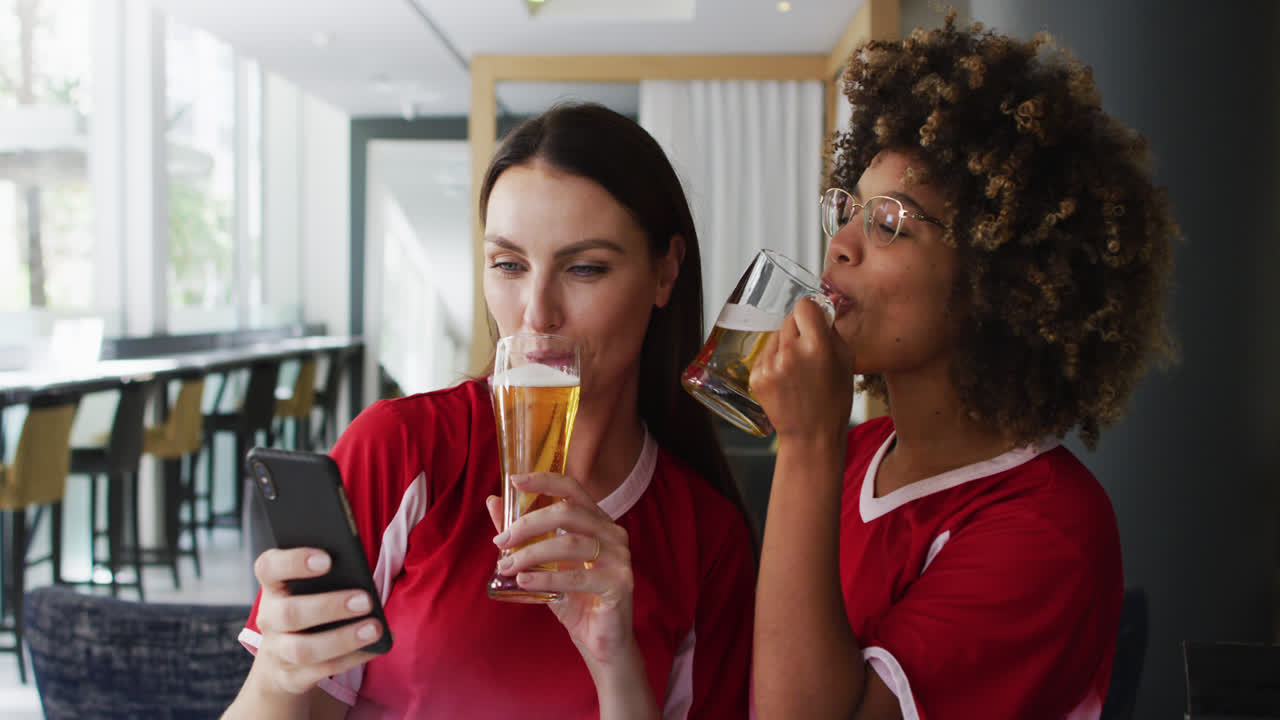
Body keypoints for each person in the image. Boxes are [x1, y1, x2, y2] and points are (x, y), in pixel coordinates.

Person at [223, 103, 756, 719]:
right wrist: (277, 676)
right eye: (508, 264)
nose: (537, 313)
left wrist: (617, 664)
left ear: (665, 273)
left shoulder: (707, 539)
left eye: (584, 268)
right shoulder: (401, 450)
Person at [750, 15, 1176, 720]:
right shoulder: (855, 456)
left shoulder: (1047, 526)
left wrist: (802, 446)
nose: (842, 246)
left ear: (997, 278)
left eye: (889, 222)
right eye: (848, 210)